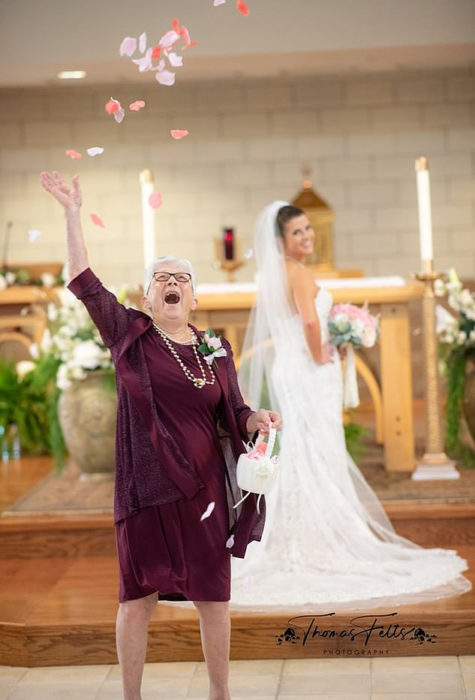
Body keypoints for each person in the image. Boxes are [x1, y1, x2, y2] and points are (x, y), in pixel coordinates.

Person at [39, 171, 281, 700]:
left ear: (194, 296)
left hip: (206, 493)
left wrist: (255, 420)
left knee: (213, 597)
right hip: (147, 492)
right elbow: (83, 279)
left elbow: (233, 413)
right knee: (137, 597)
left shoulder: (215, 348)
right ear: (148, 295)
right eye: (161, 278)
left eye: (182, 278)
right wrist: (71, 212)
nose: (173, 284)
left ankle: (220, 694)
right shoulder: (131, 334)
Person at [231, 200, 471, 609]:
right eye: (297, 232)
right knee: (317, 450)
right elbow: (309, 322)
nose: (306, 237)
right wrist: (322, 353)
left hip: (291, 368)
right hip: (308, 368)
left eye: (309, 230)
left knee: (305, 450)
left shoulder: (277, 274)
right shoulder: (301, 273)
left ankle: (296, 536)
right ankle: (317, 538)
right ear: (280, 240)